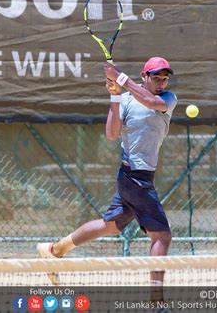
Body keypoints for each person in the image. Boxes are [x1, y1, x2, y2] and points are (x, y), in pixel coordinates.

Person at [37, 57, 177, 287]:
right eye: (156, 77)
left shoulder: (167, 99)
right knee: (161, 236)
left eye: (164, 78)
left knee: (109, 225)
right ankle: (156, 302)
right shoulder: (126, 100)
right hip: (133, 176)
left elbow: (150, 102)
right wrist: (114, 96)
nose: (161, 82)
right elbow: (112, 134)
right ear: (144, 76)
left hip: (139, 176)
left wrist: (120, 77)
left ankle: (54, 249)